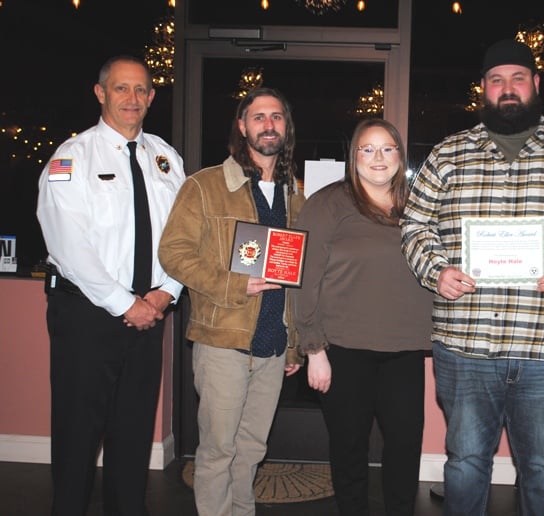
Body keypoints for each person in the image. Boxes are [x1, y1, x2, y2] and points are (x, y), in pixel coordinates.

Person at [400, 39, 544, 516]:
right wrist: (435, 269)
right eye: (496, 80)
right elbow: (414, 225)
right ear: (483, 89)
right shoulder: (449, 154)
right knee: (464, 464)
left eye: (518, 78)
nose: (508, 89)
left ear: (536, 84)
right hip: (466, 347)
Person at [35, 55, 186, 515]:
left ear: (152, 97)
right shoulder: (71, 158)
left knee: (134, 435)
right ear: (100, 93)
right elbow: (70, 245)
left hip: (150, 315)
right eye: (121, 89)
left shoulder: (167, 158)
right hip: (87, 318)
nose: (132, 99)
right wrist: (125, 303)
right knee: (78, 438)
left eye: (141, 90)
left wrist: (167, 291)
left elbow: (186, 234)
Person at [158, 87, 305, 516]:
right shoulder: (205, 186)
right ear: (242, 127)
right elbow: (173, 252)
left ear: (286, 127)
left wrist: (292, 341)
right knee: (219, 449)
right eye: (258, 117)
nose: (268, 125)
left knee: (252, 448)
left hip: (272, 345)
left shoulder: (294, 193)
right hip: (222, 339)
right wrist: (233, 284)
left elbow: (294, 278)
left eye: (276, 117)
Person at [290, 118, 433, 515]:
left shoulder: (420, 205)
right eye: (367, 149)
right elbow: (306, 279)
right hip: (343, 349)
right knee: (349, 448)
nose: (378, 158)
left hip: (405, 350)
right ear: (353, 157)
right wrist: (313, 348)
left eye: (387, 148)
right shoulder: (328, 203)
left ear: (400, 156)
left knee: (405, 447)